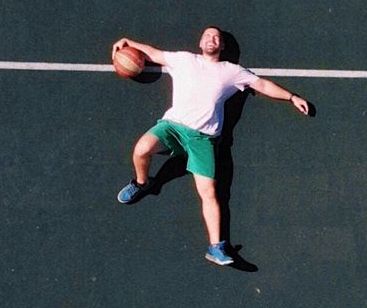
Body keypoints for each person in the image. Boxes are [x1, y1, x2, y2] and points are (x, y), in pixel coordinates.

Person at [112, 26, 311, 266]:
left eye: (216, 37)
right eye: (207, 35)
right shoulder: (184, 59)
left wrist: (292, 97)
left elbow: (263, 86)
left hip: (203, 139)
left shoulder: (232, 71)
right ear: (200, 42)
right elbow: (153, 53)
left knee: (209, 193)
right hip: (172, 127)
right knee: (141, 149)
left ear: (222, 46)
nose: (211, 39)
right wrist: (128, 41)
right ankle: (143, 184)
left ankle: (216, 247)